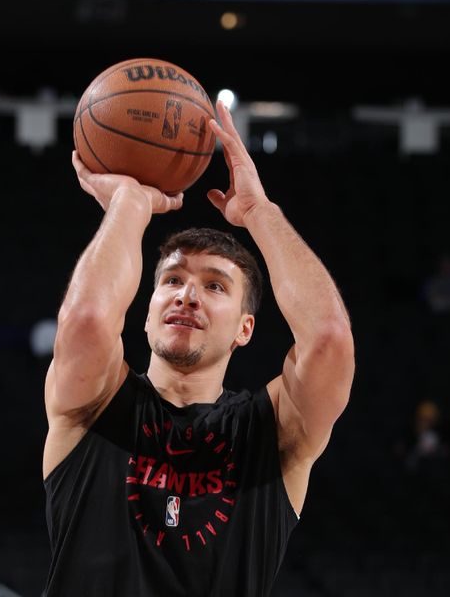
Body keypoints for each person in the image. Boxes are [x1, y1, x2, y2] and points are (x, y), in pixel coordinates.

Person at [42, 100, 355, 596]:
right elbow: (85, 320)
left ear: (244, 330)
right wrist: (129, 203)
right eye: (172, 280)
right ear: (145, 313)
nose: (187, 294)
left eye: (214, 286)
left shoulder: (270, 435)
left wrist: (257, 212)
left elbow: (329, 340)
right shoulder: (96, 405)